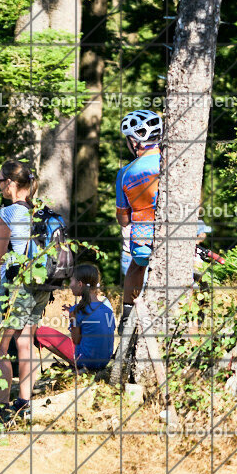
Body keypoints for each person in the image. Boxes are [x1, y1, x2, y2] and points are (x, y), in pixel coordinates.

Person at [0, 159, 49, 423]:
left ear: (10, 183)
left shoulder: (7, 212)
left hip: (15, 287)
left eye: (0, 181)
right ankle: (25, 403)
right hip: (41, 284)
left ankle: (2, 407)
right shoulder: (41, 210)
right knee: (25, 342)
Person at [115, 109, 162, 330]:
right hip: (177, 238)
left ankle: (127, 317)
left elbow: (123, 218)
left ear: (134, 141)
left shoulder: (126, 173)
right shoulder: (175, 162)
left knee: (136, 267)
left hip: (144, 241)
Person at [34, 263, 116, 372]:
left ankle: (75, 364)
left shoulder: (77, 311)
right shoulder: (107, 308)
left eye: (72, 281)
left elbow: (76, 340)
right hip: (105, 360)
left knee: (41, 332)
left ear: (80, 284)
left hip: (86, 361)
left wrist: (72, 318)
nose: (70, 285)